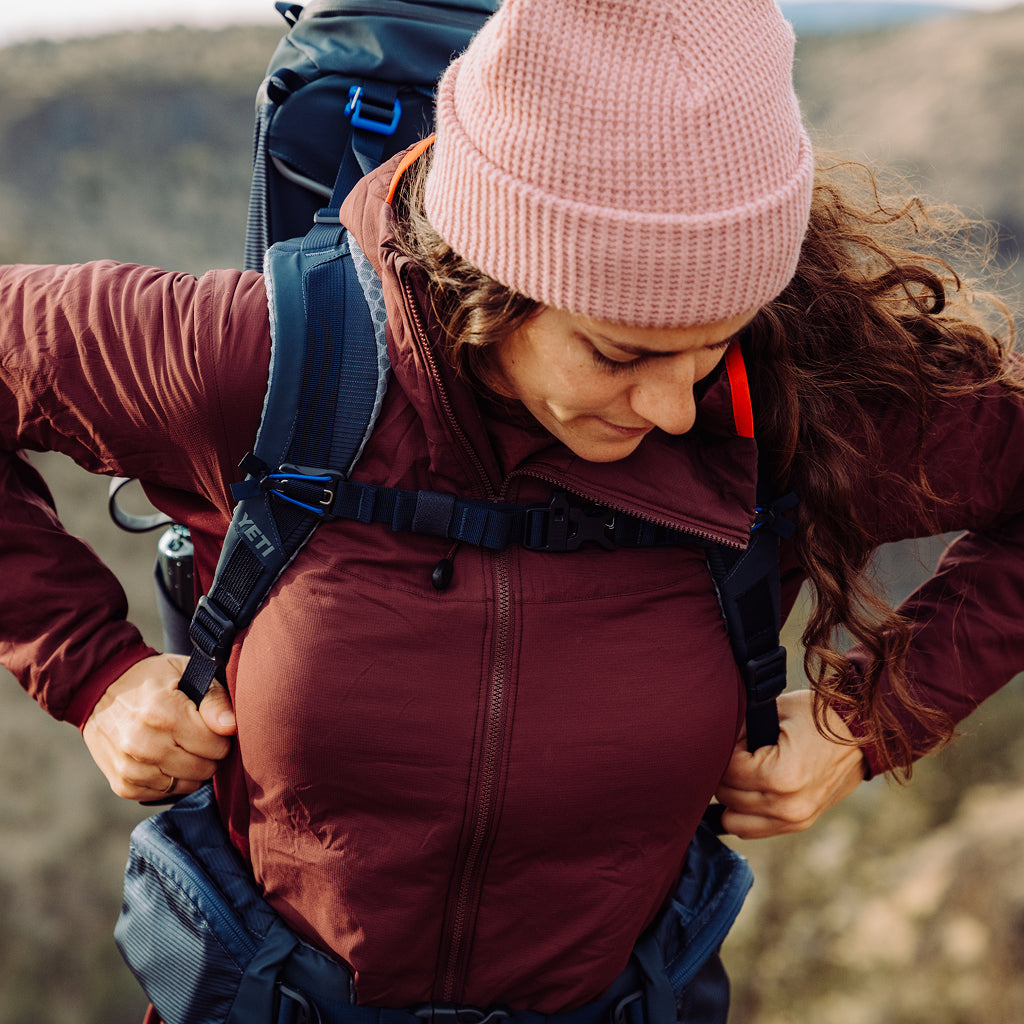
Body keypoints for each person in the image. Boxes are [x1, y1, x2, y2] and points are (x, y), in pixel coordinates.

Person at [1, 0, 1022, 1019]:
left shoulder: (788, 408)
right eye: (619, 354)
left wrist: (867, 722)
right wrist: (93, 669)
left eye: (714, 345)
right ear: (487, 282)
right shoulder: (261, 365)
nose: (674, 405)